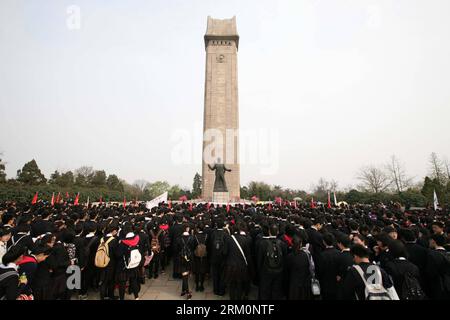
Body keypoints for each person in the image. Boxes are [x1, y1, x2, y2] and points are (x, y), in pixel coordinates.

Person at [256, 224, 287, 300]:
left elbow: (259, 259)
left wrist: (259, 271)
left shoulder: (262, 243)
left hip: (266, 270)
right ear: (278, 232)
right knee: (276, 290)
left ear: (269, 232)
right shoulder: (283, 244)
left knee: (264, 291)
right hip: (279, 271)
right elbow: (285, 259)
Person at [224, 221, 252, 300]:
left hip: (230, 265)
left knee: (232, 284)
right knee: (239, 283)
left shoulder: (229, 239)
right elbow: (247, 255)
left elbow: (225, 252)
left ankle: (232, 298)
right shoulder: (245, 239)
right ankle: (239, 297)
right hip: (241, 266)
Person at [115, 223, 141, 300]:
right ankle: (136, 297)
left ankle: (122, 298)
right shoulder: (137, 238)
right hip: (134, 263)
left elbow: (118, 254)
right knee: (133, 281)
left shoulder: (123, 242)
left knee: (122, 283)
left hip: (124, 265)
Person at [285, 235, 311, 300]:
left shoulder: (289, 256)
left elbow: (287, 270)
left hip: (293, 283)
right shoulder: (305, 255)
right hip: (303, 282)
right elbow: (308, 268)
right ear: (301, 244)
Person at [316, 233, 340, 300]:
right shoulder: (339, 253)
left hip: (325, 284)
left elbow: (319, 270)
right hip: (336, 283)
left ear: (324, 242)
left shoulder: (321, 255)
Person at [426, 234, 450, 300]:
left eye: (430, 240)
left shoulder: (432, 254)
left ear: (433, 241)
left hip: (438, 286)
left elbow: (430, 272)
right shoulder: (448, 253)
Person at [98, 223, 118, 300]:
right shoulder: (114, 240)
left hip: (102, 261)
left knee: (103, 281)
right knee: (111, 281)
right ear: (113, 231)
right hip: (111, 263)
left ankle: (102, 296)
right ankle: (110, 295)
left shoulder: (102, 239)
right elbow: (116, 253)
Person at [209, 219, 228, 296]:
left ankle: (215, 289)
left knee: (215, 274)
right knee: (222, 275)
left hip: (214, 256)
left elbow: (210, 245)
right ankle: (221, 290)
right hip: (222, 257)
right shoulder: (225, 234)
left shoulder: (213, 233)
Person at [175, 224, 194, 299]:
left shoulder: (178, 238)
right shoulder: (192, 238)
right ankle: (188, 292)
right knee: (186, 275)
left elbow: (176, 249)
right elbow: (193, 247)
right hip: (189, 257)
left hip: (181, 257)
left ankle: (183, 290)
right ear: (187, 228)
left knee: (184, 274)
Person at [192, 222, 209, 292]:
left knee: (197, 271)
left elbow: (193, 246)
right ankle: (201, 285)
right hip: (204, 255)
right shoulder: (206, 236)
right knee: (203, 271)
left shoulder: (195, 236)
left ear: (198, 228)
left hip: (197, 255)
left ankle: (196, 286)